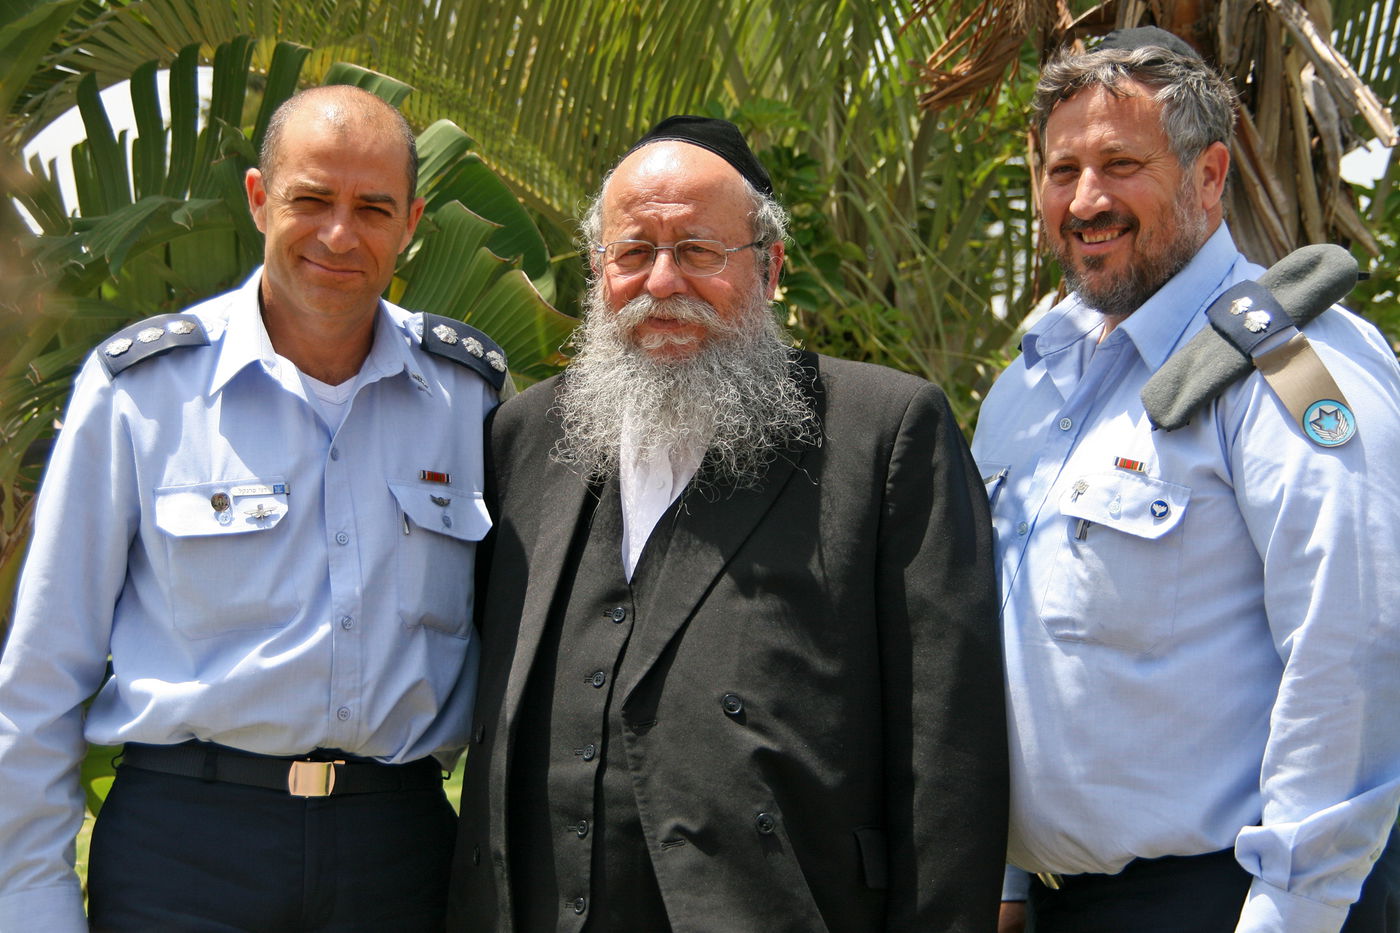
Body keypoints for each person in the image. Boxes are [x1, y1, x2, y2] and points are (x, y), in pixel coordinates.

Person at [446, 115, 1008, 932]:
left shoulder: (885, 432)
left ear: (771, 267)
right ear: (598, 271)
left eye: (699, 252)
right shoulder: (524, 436)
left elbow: (948, 759)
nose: (662, 282)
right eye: (633, 253)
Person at [0, 85, 506, 932]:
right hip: (185, 850)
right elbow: (44, 676)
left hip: (400, 850)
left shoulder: (468, 399)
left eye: (373, 208)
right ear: (260, 198)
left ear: (411, 221)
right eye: (311, 199)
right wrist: (30, 903)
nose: (340, 235)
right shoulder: (142, 393)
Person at [971, 29, 1400, 933]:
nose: (1086, 200)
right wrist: (1011, 877)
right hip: (1060, 909)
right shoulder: (1028, 387)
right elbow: (1020, 645)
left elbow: (1353, 644)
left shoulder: (1291, 362)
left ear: (1210, 175)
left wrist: (1291, 910)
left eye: (1122, 163)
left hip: (1232, 902)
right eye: (1062, 170)